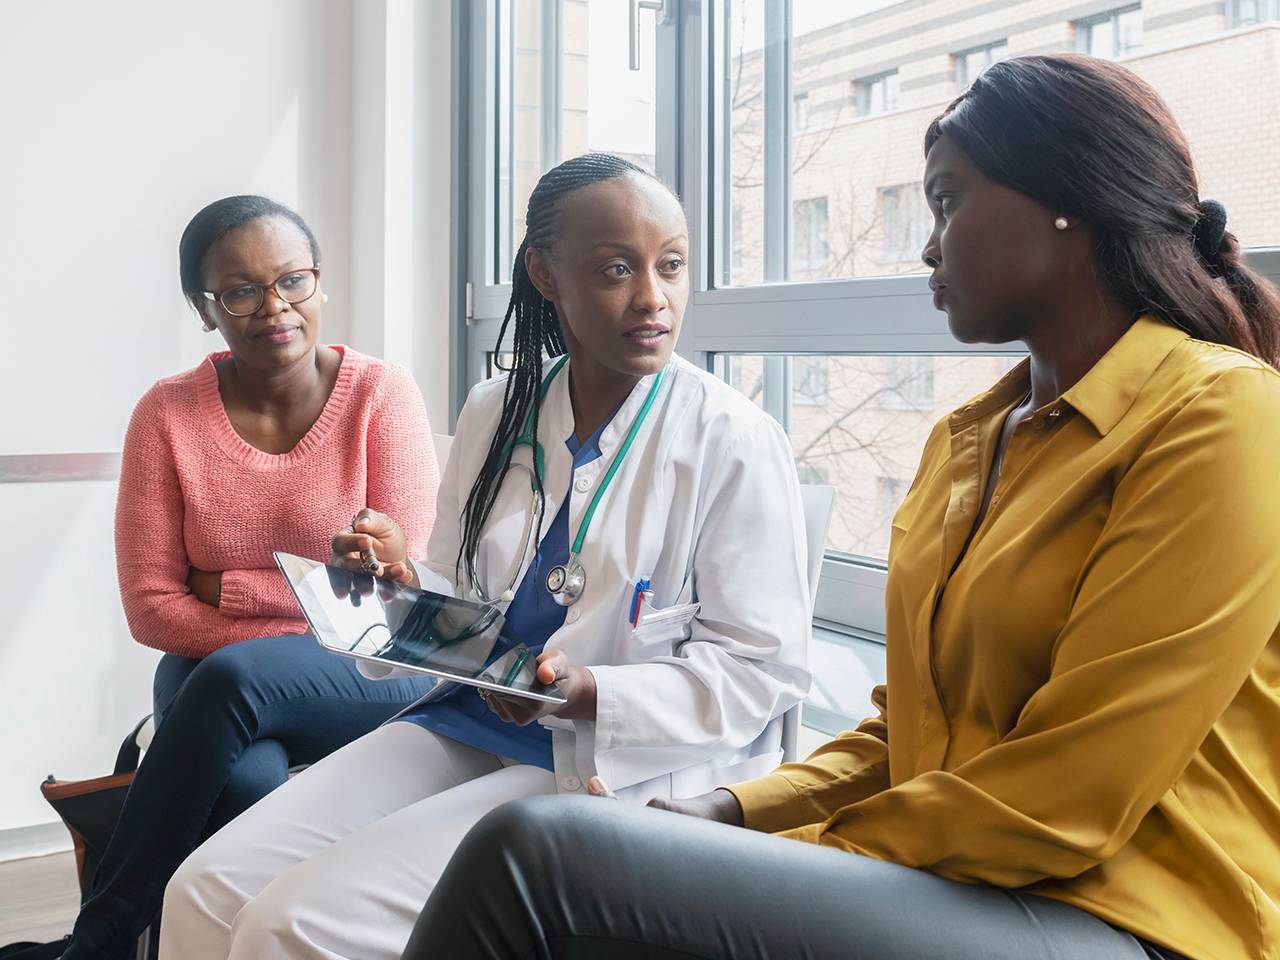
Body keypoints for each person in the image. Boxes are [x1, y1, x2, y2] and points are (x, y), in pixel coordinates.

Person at [401, 55, 1280, 960]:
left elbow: (1074, 793)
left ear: (1068, 200)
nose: (928, 246)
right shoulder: (969, 443)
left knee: (537, 857)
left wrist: (791, 848)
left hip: (1135, 921)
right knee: (575, 858)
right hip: (963, 882)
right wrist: (727, 810)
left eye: (945, 202)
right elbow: (909, 735)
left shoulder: (1221, 418)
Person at [158, 153, 812, 960]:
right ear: (545, 273)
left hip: (605, 757)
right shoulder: (499, 408)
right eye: (616, 269)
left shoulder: (733, 440)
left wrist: (592, 692)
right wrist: (397, 585)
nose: (654, 298)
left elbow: (765, 671)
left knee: (291, 925)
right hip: (466, 716)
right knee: (200, 888)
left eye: (671, 266)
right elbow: (457, 586)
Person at [7, 196, 440, 960]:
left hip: (368, 667)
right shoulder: (168, 414)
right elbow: (153, 612)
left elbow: (396, 603)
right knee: (246, 786)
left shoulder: (381, 396)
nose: (274, 307)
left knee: (242, 675)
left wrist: (231, 588)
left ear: (320, 285)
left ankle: (95, 946)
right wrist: (300, 606)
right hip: (209, 673)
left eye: (292, 280)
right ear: (206, 310)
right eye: (240, 291)